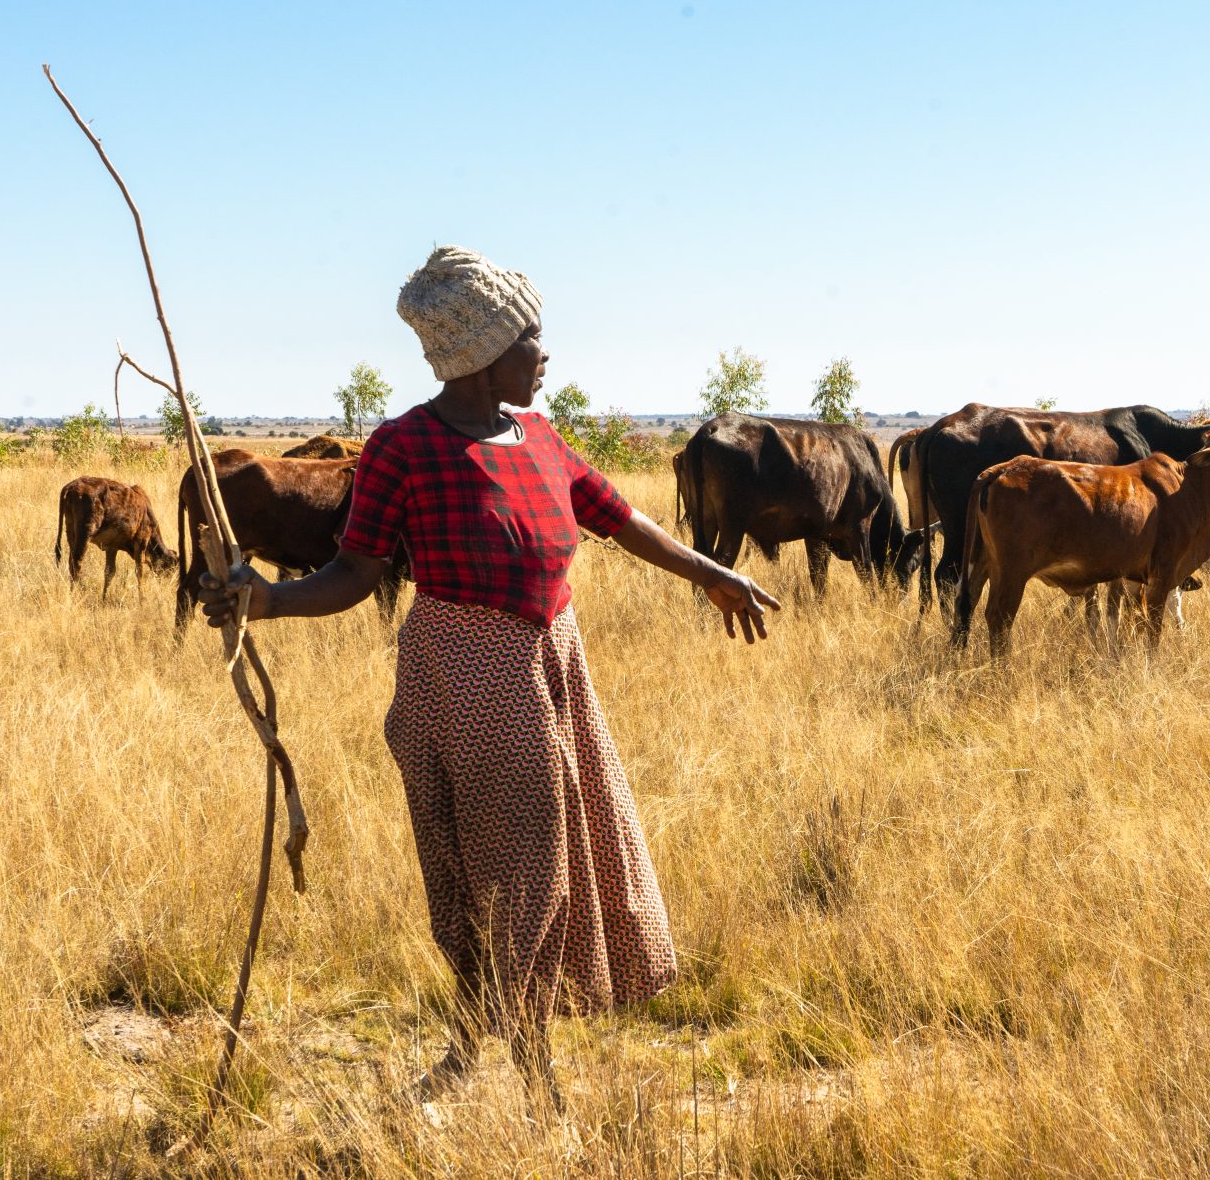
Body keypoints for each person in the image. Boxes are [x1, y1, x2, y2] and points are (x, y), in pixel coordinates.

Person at [196, 246, 779, 1109]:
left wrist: (712, 574)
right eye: (531, 338)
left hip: (553, 665)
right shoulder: (406, 446)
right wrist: (268, 602)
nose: (546, 355)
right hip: (465, 671)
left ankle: (476, 1048)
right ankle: (531, 1073)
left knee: (533, 865)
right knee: (523, 864)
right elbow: (355, 572)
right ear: (481, 353)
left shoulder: (538, 437)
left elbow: (622, 519)